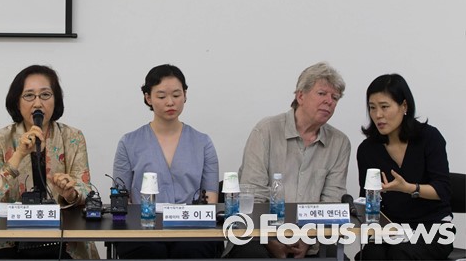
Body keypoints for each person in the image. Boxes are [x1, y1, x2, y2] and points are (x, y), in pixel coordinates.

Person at [0, 65, 98, 259]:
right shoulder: (0, 138)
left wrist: (71, 193)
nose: (38, 103)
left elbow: (86, 189)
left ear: (56, 100)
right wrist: (18, 155)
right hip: (8, 237)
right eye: (29, 96)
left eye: (45, 95)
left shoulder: (73, 137)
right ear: (17, 102)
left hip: (60, 236)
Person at [228, 62, 351, 259]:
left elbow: (331, 203)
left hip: (311, 240)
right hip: (259, 238)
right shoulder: (266, 131)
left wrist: (307, 239)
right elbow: (252, 197)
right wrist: (271, 240)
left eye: (335, 97)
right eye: (322, 93)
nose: (329, 101)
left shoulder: (339, 143)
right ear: (300, 96)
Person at [112, 64, 220, 259]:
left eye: (176, 95)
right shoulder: (128, 143)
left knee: (190, 251)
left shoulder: (203, 143)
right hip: (144, 229)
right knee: (150, 251)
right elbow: (121, 197)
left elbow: (210, 198)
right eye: (161, 96)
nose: (170, 102)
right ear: (148, 98)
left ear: (185, 95)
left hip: (192, 230)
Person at [355, 74, 453, 260]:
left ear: (404, 106)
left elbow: (443, 190)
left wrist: (408, 188)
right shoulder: (367, 149)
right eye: (372, 108)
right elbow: (366, 198)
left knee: (400, 254)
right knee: (371, 254)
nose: (378, 115)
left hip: (432, 228)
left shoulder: (429, 138)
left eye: (384, 107)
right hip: (391, 229)